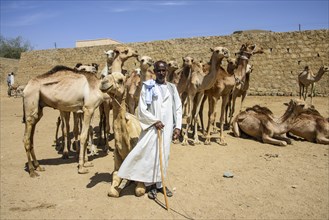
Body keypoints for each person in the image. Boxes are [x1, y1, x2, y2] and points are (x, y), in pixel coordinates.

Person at [117, 60, 182, 199]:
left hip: (167, 127)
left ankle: (160, 184)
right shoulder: (148, 87)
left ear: (166, 72)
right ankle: (149, 184)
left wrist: (178, 127)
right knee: (150, 155)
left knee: (164, 155)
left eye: (163, 70)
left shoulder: (172, 88)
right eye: (158, 70)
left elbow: (178, 108)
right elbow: (142, 109)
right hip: (152, 128)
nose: (161, 73)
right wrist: (154, 121)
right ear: (154, 71)